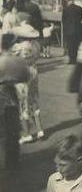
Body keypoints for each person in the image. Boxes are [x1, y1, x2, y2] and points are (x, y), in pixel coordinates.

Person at [12, 13, 45, 144]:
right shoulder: (36, 45)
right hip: (34, 71)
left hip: (22, 73)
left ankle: (26, 133)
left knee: (22, 103)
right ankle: (40, 129)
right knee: (34, 100)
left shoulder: (18, 47)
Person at [0, 33, 29, 171]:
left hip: (2, 94)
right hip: (12, 95)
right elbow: (26, 76)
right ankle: (12, 161)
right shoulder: (19, 61)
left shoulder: (1, 60)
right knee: (12, 131)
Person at [62, 0, 82, 64]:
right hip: (77, 29)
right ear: (73, 0)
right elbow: (80, 18)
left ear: (68, 1)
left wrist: (66, 27)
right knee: (76, 44)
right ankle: (75, 59)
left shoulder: (65, 9)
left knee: (69, 45)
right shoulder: (79, 8)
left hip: (68, 30)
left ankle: (71, 59)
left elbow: (63, 20)